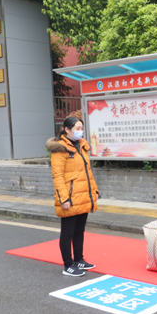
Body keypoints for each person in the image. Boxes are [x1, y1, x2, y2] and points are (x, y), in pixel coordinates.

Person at [46, 116, 99, 277]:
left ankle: (79, 259)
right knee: (67, 232)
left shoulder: (81, 146)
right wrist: (64, 198)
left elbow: (87, 173)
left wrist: (94, 191)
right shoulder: (60, 149)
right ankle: (68, 265)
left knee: (79, 231)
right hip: (69, 197)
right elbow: (57, 176)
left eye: (81, 128)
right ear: (67, 130)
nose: (80, 131)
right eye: (77, 128)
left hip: (83, 195)